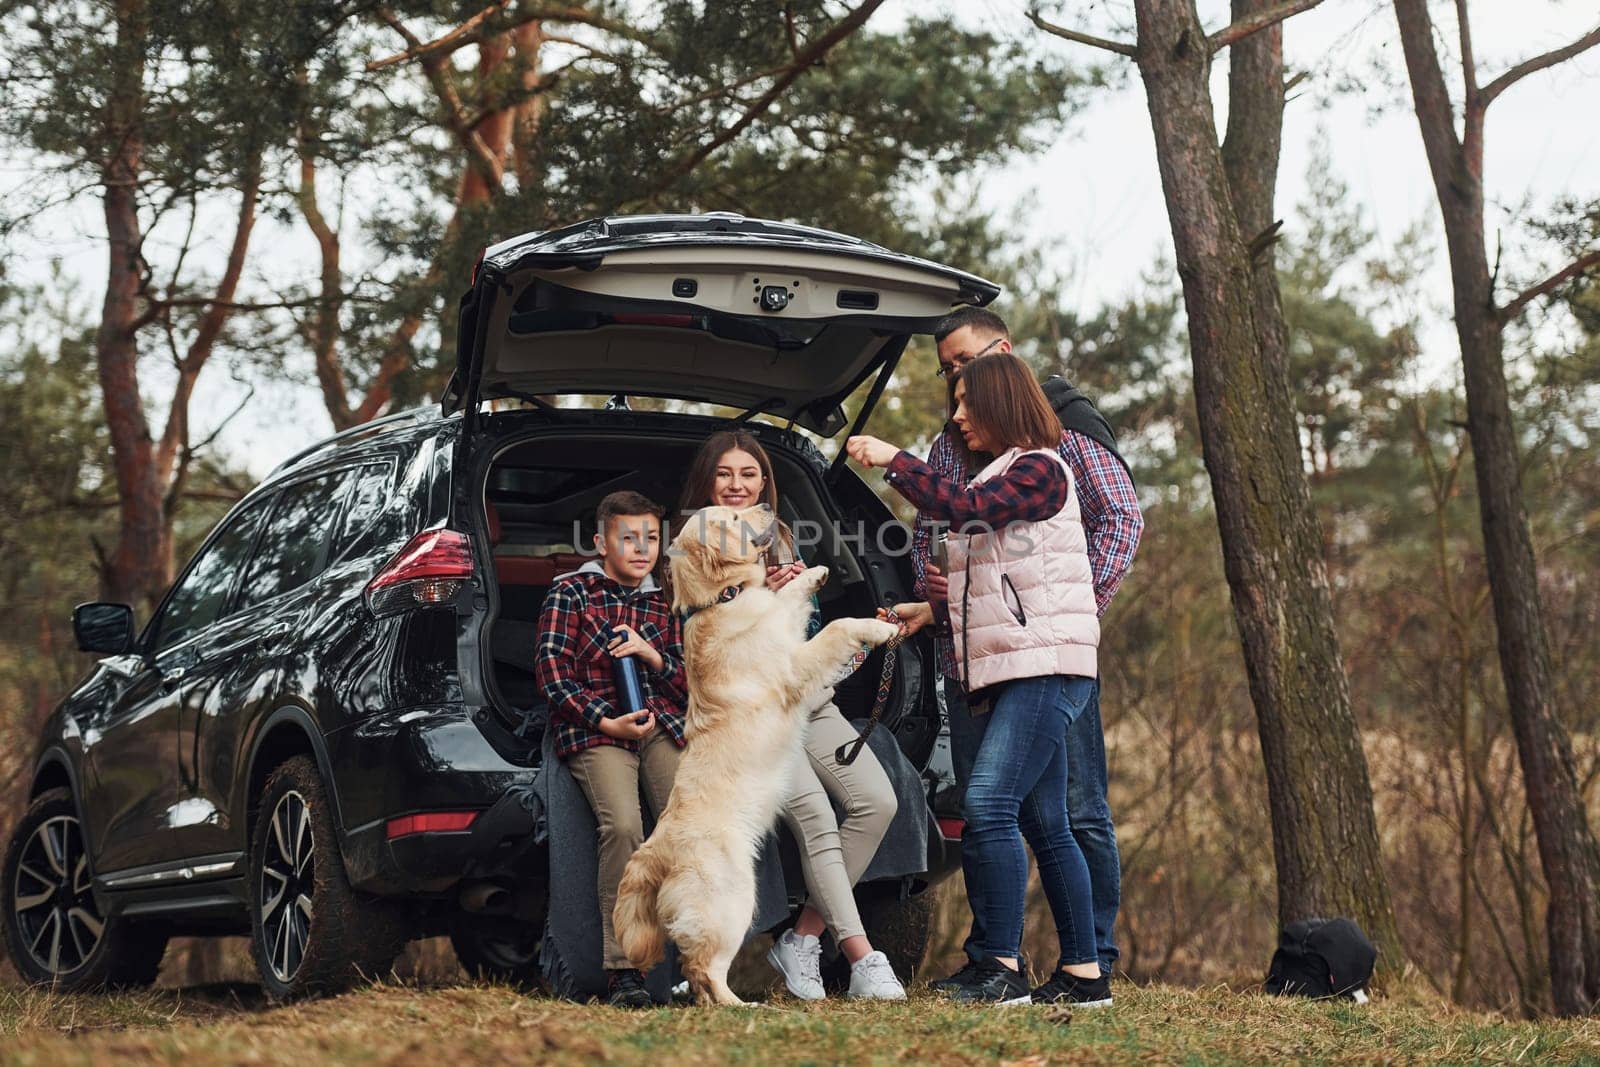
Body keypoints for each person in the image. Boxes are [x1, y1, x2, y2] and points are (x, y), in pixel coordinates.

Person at [846, 352, 1110, 1007]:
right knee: (1045, 822)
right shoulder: (1003, 475)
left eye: (967, 403)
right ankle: (1084, 976)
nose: (957, 416)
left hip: (1045, 667)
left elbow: (964, 510)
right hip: (1020, 666)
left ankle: (1000, 966)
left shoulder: (1043, 469)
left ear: (1002, 405)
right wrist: (929, 610)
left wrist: (895, 459)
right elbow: (1002, 583)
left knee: (989, 806)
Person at [914, 307, 1141, 1001]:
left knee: (1062, 810)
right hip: (977, 656)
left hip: (1044, 655)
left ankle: (1082, 957)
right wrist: (937, 595)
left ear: (1003, 355)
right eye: (947, 369)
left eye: (964, 364)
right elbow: (938, 530)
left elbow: (1121, 519)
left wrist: (1066, 612)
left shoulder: (1059, 437)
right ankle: (1020, 961)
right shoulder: (955, 440)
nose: (955, 383)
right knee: (1018, 813)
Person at [674, 431, 906, 1001]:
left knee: (879, 803)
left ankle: (802, 940)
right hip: (755, 720)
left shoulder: (776, 536)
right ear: (707, 482)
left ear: (763, 483)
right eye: (725, 474)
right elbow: (696, 622)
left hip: (809, 695)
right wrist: (755, 597)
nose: (737, 485)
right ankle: (862, 956)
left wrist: (795, 598)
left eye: (748, 474)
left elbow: (807, 632)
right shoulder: (692, 541)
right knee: (816, 819)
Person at [535, 490, 688, 1009]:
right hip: (597, 729)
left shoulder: (662, 599)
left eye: (651, 538)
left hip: (659, 722)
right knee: (623, 826)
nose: (642, 548)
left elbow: (691, 683)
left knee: (686, 823)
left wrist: (652, 655)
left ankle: (695, 958)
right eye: (629, 538)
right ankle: (627, 971)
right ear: (602, 543)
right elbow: (552, 674)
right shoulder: (571, 594)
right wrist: (606, 720)